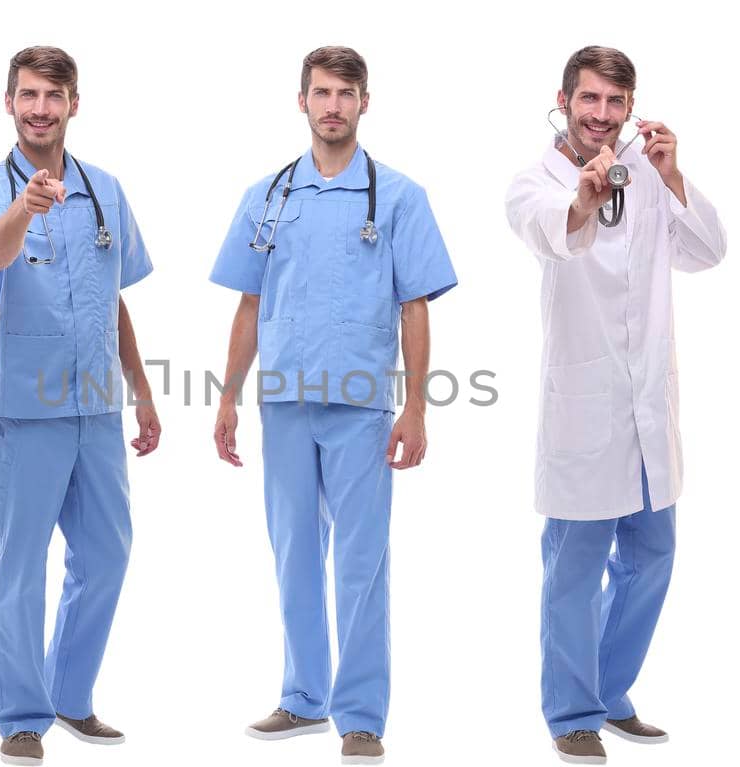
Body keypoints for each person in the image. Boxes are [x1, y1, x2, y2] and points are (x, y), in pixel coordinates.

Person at [210, 45, 456, 766]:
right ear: (303, 101)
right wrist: (226, 397)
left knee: (359, 562)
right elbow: (250, 305)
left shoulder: (399, 197)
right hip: (283, 400)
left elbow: (415, 306)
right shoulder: (270, 194)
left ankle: (360, 714)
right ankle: (302, 696)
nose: (333, 106)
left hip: (360, 408)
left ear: (364, 102)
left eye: (345, 93)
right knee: (293, 555)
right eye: (321, 92)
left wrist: (415, 408)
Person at [503, 45, 727, 765]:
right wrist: (583, 200)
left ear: (631, 106)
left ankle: (608, 687)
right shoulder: (533, 182)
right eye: (589, 100)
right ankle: (572, 711)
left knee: (654, 554)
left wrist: (673, 175)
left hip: (646, 410)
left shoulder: (653, 176)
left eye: (615, 102)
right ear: (564, 100)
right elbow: (551, 231)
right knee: (573, 567)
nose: (601, 115)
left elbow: (709, 251)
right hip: (584, 411)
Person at [0, 45, 159, 767]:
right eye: (28, 95)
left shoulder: (106, 190)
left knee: (106, 554)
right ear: (9, 103)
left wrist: (143, 396)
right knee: (19, 569)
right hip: (25, 413)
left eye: (54, 95)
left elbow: (115, 299)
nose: (41, 107)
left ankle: (70, 694)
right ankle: (20, 715)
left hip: (98, 410)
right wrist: (24, 206)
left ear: (75, 103)